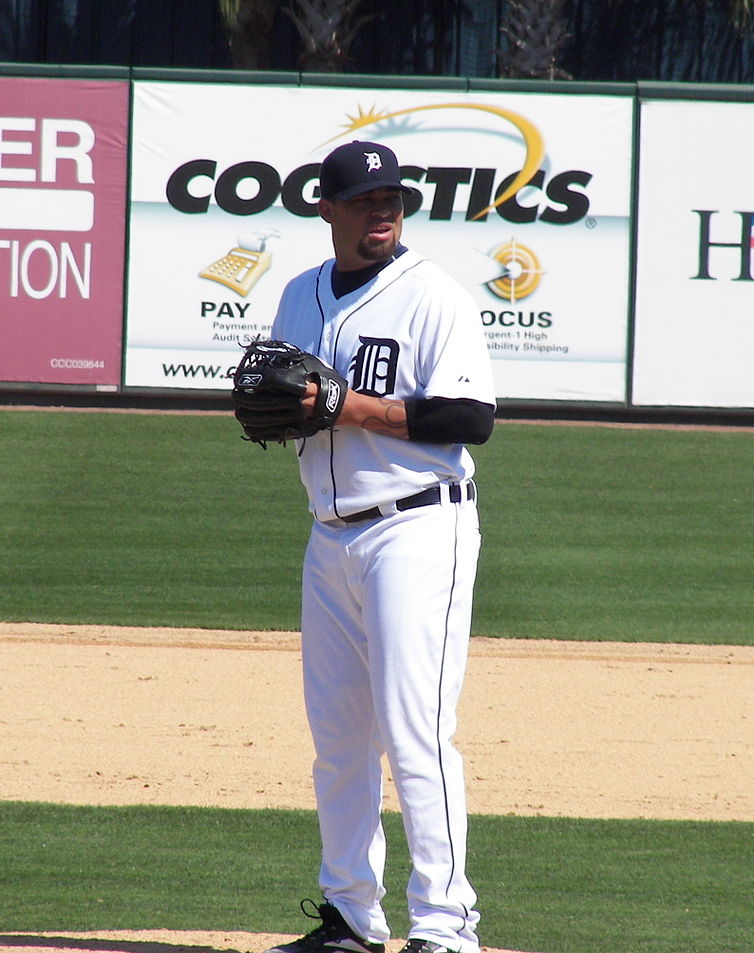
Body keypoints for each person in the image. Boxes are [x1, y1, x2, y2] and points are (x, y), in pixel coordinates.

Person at [262, 140, 496, 953]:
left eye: (392, 199)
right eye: (365, 201)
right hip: (329, 537)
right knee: (338, 741)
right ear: (326, 207)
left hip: (417, 527)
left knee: (416, 733)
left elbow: (471, 420)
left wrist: (345, 406)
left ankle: (445, 928)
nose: (383, 212)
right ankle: (351, 918)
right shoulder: (298, 296)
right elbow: (284, 398)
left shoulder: (436, 298)